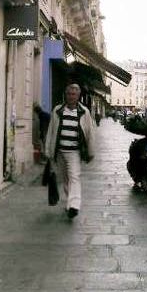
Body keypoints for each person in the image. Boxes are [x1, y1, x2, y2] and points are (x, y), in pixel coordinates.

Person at [45, 84, 95, 219]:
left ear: (78, 96)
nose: (71, 96)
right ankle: (70, 202)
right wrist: (48, 151)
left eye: (74, 94)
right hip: (59, 151)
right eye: (69, 94)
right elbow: (51, 131)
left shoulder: (84, 112)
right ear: (65, 95)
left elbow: (90, 133)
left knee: (74, 177)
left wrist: (91, 152)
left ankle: (74, 206)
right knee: (65, 179)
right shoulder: (57, 110)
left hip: (74, 152)